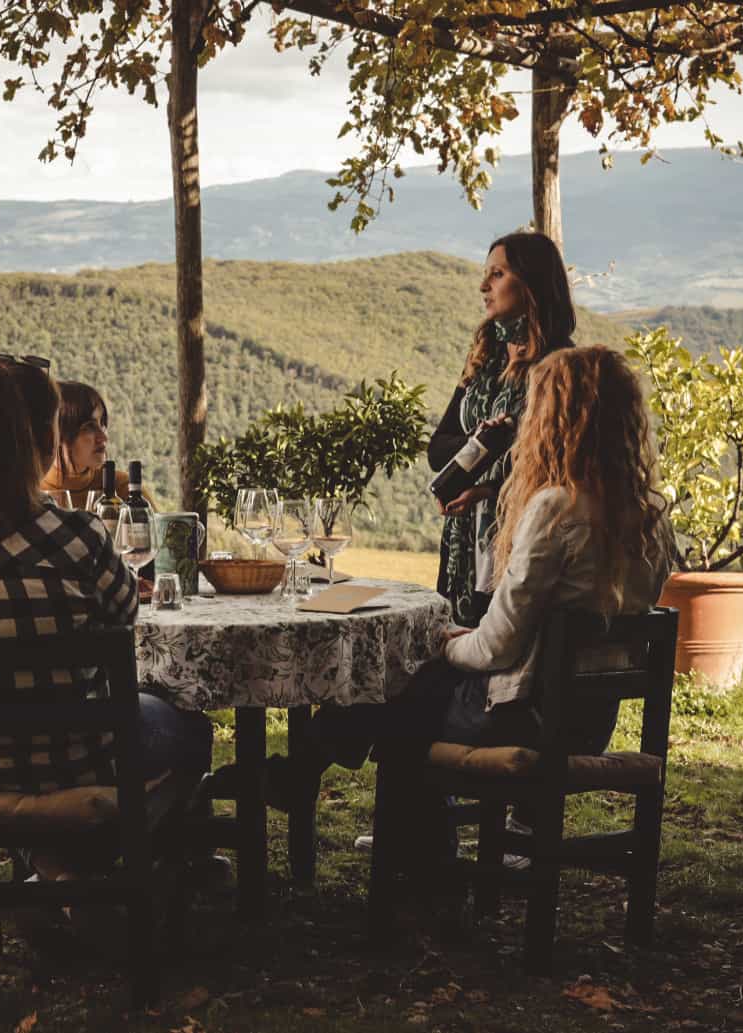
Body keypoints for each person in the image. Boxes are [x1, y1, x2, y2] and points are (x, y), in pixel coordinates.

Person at [271, 346, 675, 860]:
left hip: (523, 717)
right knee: (410, 695)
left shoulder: (556, 510)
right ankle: (331, 788)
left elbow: (499, 648)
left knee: (397, 687)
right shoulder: (652, 518)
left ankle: (332, 790)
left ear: (556, 420)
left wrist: (447, 646)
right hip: (589, 722)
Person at [0, 357, 210, 874]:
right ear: (41, 438)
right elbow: (127, 615)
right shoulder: (79, 535)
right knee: (191, 728)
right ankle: (119, 870)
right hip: (72, 764)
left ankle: (51, 866)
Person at [431, 231, 577, 627]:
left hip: (522, 543)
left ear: (530, 283)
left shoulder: (562, 364)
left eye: (497, 274)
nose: (484, 286)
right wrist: (485, 441)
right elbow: (437, 450)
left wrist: (490, 489)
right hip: (464, 545)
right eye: (486, 274)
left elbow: (563, 474)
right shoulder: (484, 355)